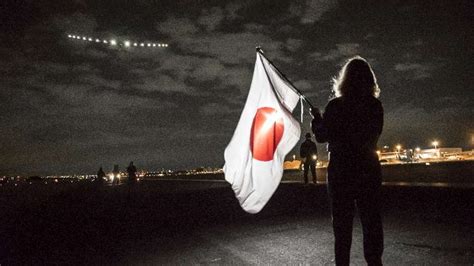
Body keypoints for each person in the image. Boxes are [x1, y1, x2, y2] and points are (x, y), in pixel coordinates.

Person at [311, 56, 384, 266]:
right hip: (368, 169)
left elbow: (323, 136)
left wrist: (317, 120)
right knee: (372, 223)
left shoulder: (335, 106)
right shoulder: (375, 106)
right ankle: (374, 262)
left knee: (342, 228)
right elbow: (373, 135)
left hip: (341, 172)